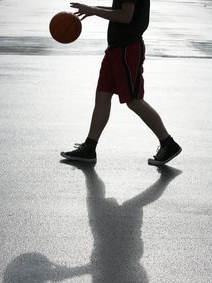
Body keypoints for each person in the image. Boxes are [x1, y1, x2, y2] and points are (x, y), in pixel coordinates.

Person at [60, 0, 182, 165]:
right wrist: (93, 9)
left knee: (134, 101)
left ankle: (168, 143)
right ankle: (90, 147)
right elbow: (121, 10)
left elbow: (126, 16)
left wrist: (94, 11)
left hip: (127, 50)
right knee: (102, 96)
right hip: (116, 49)